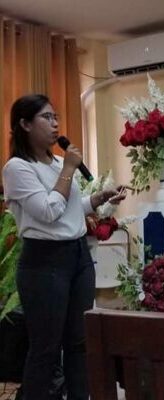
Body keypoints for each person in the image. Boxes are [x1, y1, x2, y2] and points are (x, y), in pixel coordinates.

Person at [1, 94, 127, 400]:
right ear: (25, 124)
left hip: (78, 256)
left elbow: (68, 208)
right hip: (44, 263)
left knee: (80, 343)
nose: (55, 124)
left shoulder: (59, 163)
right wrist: (69, 169)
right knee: (46, 348)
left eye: (56, 117)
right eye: (47, 117)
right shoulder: (17, 168)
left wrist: (96, 200)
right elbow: (48, 211)